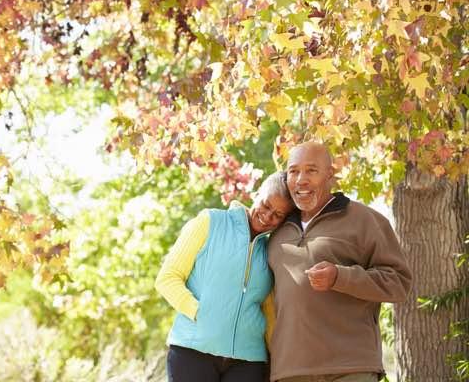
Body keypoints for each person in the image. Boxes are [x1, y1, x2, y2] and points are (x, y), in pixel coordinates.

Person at [267, 142, 413, 382]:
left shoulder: (365, 220)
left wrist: (340, 277)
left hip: (350, 367)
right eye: (293, 171)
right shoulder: (276, 229)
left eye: (311, 170)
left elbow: (399, 282)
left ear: (329, 175)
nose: (301, 179)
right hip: (290, 370)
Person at [155, 171, 294, 382]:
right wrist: (199, 312)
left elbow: (267, 308)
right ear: (256, 194)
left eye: (278, 215)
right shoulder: (210, 222)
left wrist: (276, 354)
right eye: (266, 205)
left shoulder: (270, 249)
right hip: (193, 351)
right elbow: (167, 278)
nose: (267, 217)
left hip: (248, 360)